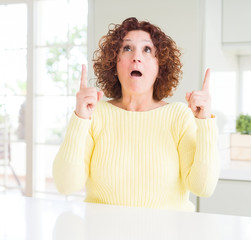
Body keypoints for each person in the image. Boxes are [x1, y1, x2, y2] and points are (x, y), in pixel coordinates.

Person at [52, 17, 219, 211]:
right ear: (115, 63)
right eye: (127, 48)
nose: (136, 57)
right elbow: (65, 185)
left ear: (160, 66)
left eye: (147, 50)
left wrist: (205, 122)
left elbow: (203, 188)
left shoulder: (179, 116)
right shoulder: (95, 115)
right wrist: (80, 118)